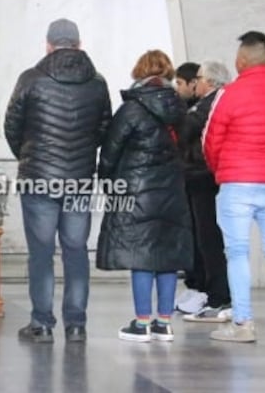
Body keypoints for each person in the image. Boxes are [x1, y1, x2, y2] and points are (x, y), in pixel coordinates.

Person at [4, 18, 112, 344]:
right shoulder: (97, 82)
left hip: (38, 179)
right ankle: (76, 325)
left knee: (41, 253)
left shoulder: (31, 79)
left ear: (48, 44)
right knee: (76, 251)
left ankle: (42, 324)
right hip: (79, 180)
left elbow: (12, 126)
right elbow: (104, 129)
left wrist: (28, 155)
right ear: (78, 45)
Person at [203, 31, 265, 343]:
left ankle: (243, 323)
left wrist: (221, 171)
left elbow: (211, 141)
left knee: (237, 252)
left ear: (241, 60)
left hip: (238, 182)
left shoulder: (229, 94)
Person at [96, 49, 192, 343]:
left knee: (142, 255)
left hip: (137, 191)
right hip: (173, 190)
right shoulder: (180, 109)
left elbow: (111, 151)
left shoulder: (131, 110)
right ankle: (164, 323)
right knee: (167, 256)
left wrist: (108, 182)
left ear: (139, 73)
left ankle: (142, 323)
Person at [178, 61, 233, 323]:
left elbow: (187, 128)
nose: (195, 82)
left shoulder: (209, 104)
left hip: (203, 176)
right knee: (203, 236)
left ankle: (218, 294)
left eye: (198, 78)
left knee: (208, 235)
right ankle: (208, 289)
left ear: (209, 82)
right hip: (199, 175)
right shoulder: (208, 102)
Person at [173, 61, 207, 314]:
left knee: (202, 235)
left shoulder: (199, 112)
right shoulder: (186, 108)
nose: (177, 88)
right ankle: (194, 282)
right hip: (188, 175)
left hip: (199, 175)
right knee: (191, 234)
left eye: (180, 83)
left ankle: (202, 285)